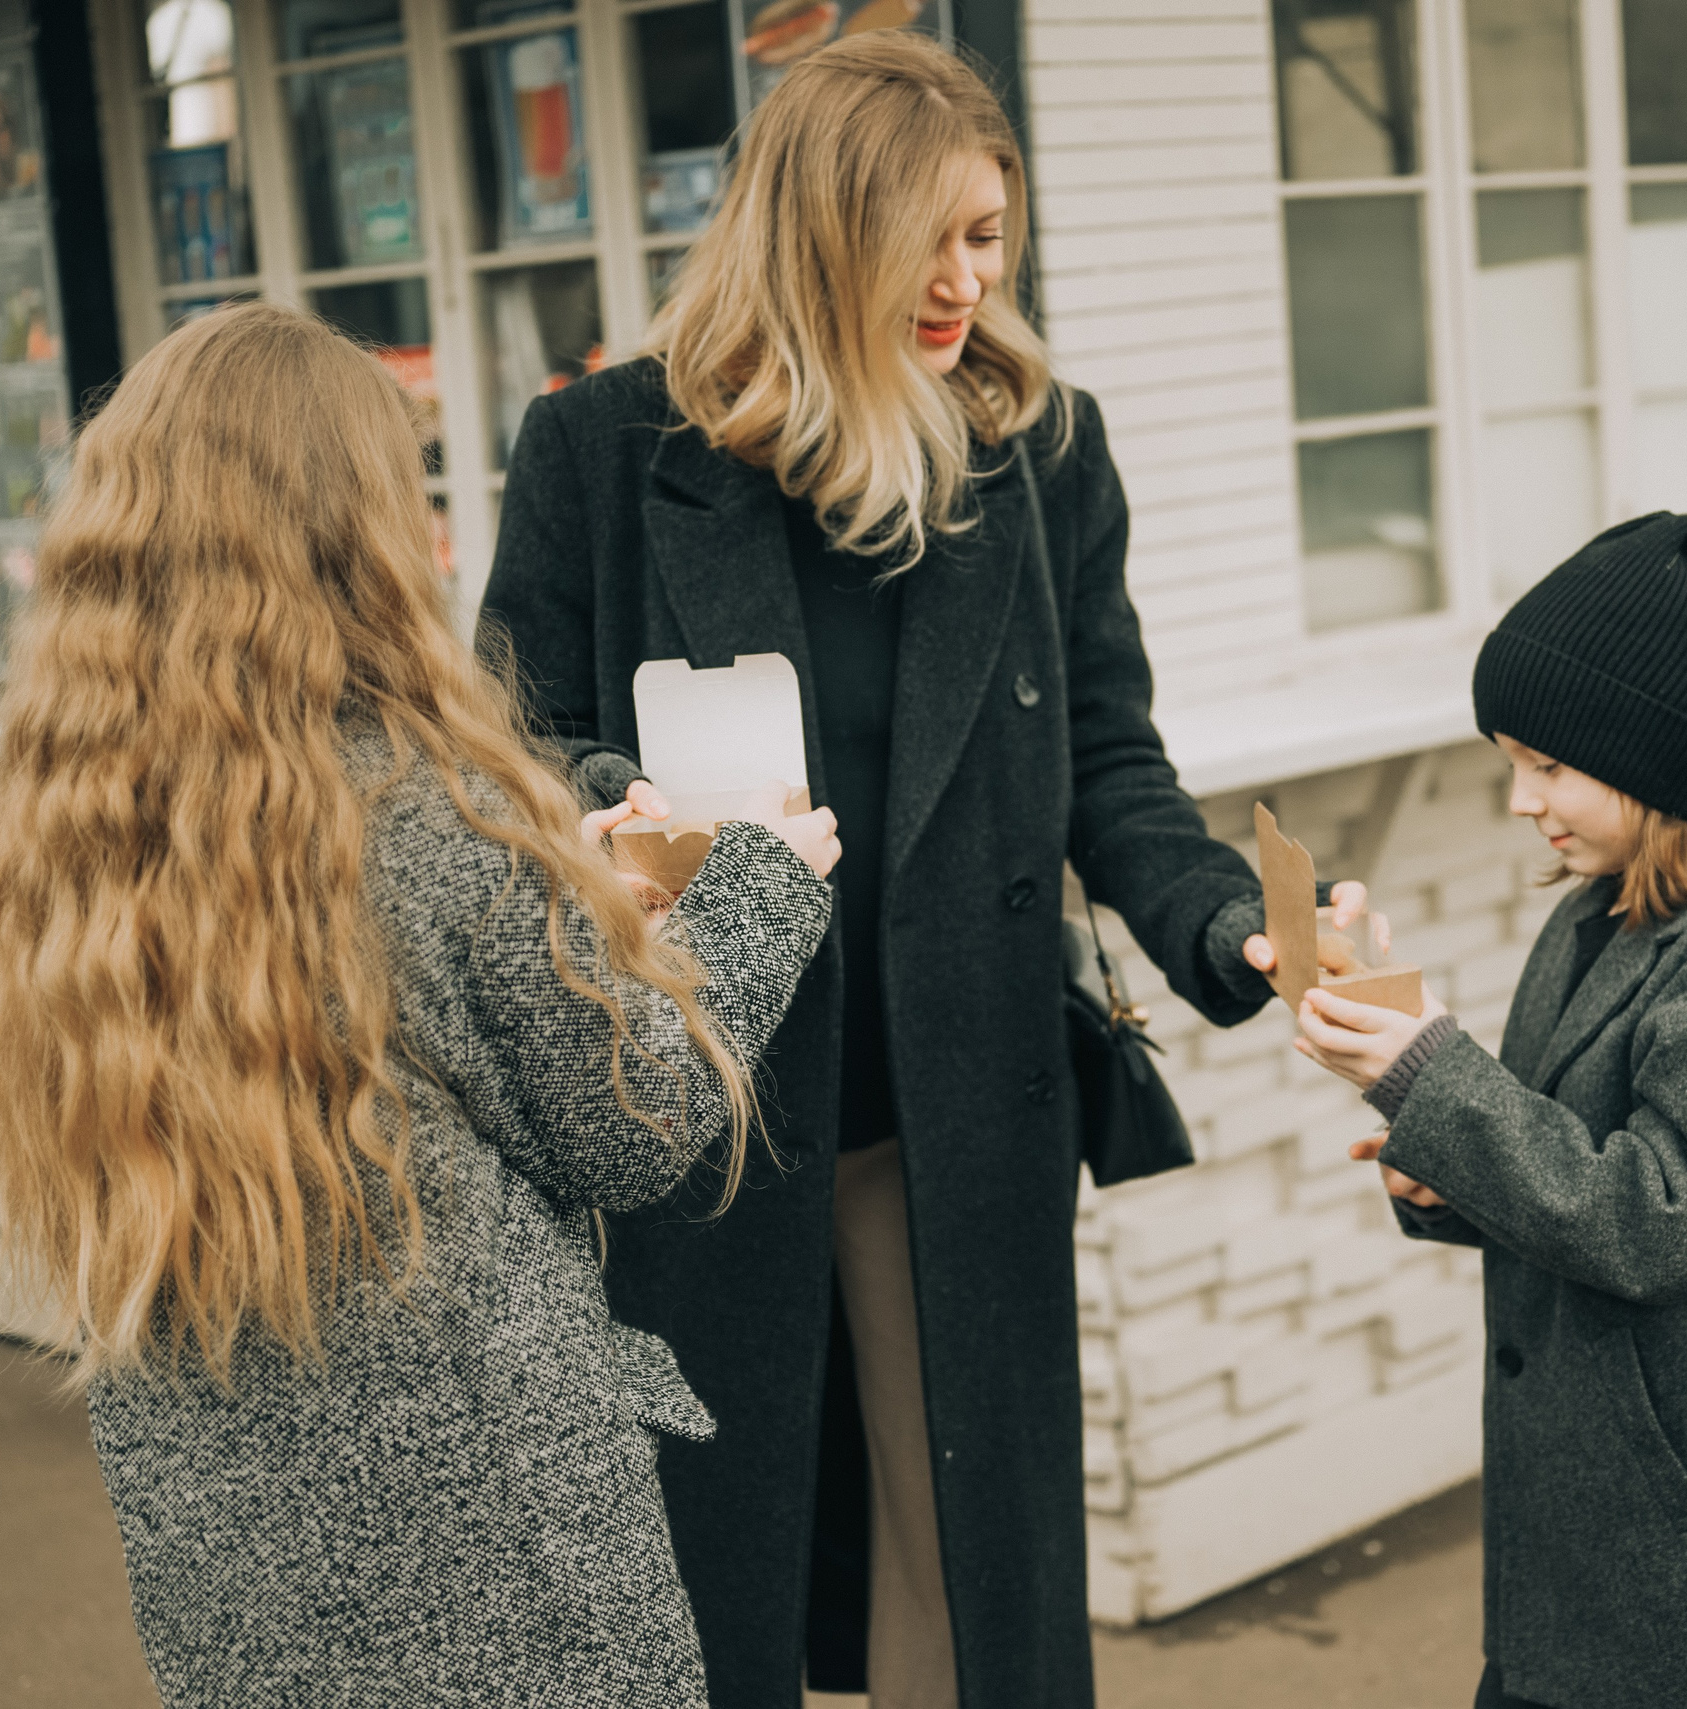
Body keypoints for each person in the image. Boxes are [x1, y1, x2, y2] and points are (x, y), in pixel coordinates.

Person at [480, 32, 1377, 1709]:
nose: (969, 281)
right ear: (820, 234)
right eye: (931, 241)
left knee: (965, 1583)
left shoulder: (1040, 455)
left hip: (952, 1119)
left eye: (992, 233)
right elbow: (507, 749)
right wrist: (627, 810)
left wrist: (1228, 919)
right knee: (696, 1587)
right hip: (696, 1115)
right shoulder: (604, 452)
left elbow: (1110, 760)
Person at [0, 302, 839, 1707]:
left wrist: (568, 890)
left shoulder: (74, 833)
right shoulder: (422, 808)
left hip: (234, 1559)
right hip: (498, 1557)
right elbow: (633, 1124)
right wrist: (758, 893)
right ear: (347, 526)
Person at [1293, 514, 1687, 1709]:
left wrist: (1434, 1076)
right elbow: (1577, 1160)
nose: (1521, 801)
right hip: (1612, 1543)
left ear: (1646, 756)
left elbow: (1658, 1220)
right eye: (1511, 763)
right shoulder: (1598, 917)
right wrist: (1448, 1174)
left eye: (1548, 765)